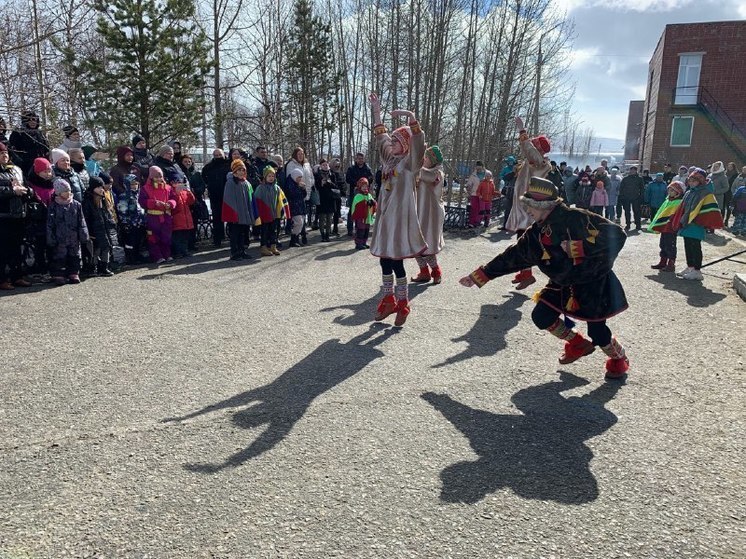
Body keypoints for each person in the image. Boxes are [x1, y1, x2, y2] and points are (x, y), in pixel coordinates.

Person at [459, 177, 630, 380]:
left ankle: (619, 359)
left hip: (592, 284)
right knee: (541, 316)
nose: (527, 211)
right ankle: (577, 343)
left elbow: (617, 234)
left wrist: (580, 247)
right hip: (561, 283)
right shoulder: (536, 232)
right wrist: (482, 275)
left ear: (544, 205)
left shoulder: (576, 217)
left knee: (598, 332)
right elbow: (513, 256)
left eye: (530, 206)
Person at [368, 93, 427, 326]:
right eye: (391, 141)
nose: (391, 144)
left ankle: (403, 302)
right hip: (384, 220)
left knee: (397, 262)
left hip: (400, 221)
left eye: (396, 142)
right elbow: (380, 136)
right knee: (384, 260)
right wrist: (376, 110)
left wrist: (412, 121)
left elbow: (419, 148)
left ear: (404, 145)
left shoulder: (409, 164)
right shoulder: (388, 160)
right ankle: (389, 298)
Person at [505, 116, 552, 290]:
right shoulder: (535, 162)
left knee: (524, 241)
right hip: (525, 208)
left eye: (534, 144)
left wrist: (522, 130)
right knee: (522, 240)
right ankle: (525, 272)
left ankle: (528, 274)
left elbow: (529, 150)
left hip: (529, 210)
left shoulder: (538, 162)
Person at [672, 168, 724, 281]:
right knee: (688, 245)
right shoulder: (690, 192)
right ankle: (690, 266)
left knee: (695, 246)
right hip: (687, 223)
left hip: (696, 224)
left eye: (694, 181)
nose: (691, 183)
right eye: (690, 181)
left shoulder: (706, 193)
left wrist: (699, 219)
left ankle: (697, 270)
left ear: (700, 181)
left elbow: (709, 209)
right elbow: (684, 207)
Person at [411, 145, 445, 284]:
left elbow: (429, 177)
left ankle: (436, 272)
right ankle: (424, 271)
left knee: (427, 245)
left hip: (431, 214)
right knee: (415, 244)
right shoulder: (421, 171)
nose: (424, 159)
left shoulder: (437, 172)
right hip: (418, 212)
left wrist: (415, 166)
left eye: (426, 157)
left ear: (433, 160)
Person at [0, 143, 32, 290]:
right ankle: (2, 279)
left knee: (17, 248)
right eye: (1, 153)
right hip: (3, 216)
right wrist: (13, 191)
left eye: (5, 153)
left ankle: (17, 276)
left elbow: (26, 185)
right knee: (3, 249)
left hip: (19, 215)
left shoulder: (16, 170)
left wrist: (28, 191)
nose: (4, 155)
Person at [47, 178, 89, 286]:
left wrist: (84, 234)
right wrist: (50, 237)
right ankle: (59, 274)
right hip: (59, 237)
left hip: (74, 236)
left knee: (74, 255)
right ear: (59, 193)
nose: (69, 193)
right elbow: (50, 224)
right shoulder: (53, 206)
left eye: (69, 191)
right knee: (59, 256)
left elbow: (81, 221)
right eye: (66, 191)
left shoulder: (76, 205)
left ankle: (74, 273)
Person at [139, 166, 176, 264]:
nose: (159, 179)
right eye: (156, 177)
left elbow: (173, 198)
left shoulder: (168, 188)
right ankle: (157, 256)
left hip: (166, 216)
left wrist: (171, 204)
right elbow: (142, 202)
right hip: (153, 218)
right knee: (153, 238)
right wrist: (154, 203)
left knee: (166, 237)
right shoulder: (145, 189)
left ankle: (167, 255)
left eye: (160, 177)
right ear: (151, 177)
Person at [82, 176, 118, 277]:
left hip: (104, 230)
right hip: (94, 230)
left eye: (102, 187)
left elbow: (108, 215)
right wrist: (89, 232)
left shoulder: (103, 201)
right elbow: (86, 218)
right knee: (95, 250)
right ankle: (93, 267)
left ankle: (104, 267)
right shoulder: (87, 202)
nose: (101, 189)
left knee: (106, 248)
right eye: (98, 187)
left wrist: (111, 226)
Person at [222, 159, 257, 261]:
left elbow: (250, 198)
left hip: (244, 213)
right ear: (234, 171)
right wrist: (233, 213)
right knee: (235, 233)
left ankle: (242, 250)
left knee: (243, 233)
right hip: (236, 214)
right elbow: (229, 199)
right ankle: (234, 252)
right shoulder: (231, 183)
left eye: (243, 170)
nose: (241, 172)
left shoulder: (246, 183)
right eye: (239, 170)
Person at [26, 157, 56, 278]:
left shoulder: (52, 183)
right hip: (39, 219)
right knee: (40, 244)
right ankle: (41, 267)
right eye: (45, 171)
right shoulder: (32, 184)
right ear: (38, 172)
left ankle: (52, 266)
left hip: (52, 217)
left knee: (51, 244)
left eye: (49, 171)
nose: (48, 174)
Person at [648, 180, 685, 272]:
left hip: (671, 228)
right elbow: (661, 213)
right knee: (663, 244)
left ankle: (671, 264)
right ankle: (662, 261)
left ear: (678, 192)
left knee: (670, 245)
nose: (670, 192)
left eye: (672, 190)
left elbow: (677, 216)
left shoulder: (679, 202)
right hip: (664, 227)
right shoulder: (668, 200)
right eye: (669, 190)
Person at [254, 166, 289, 256]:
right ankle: (264, 247)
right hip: (264, 215)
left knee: (273, 231)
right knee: (265, 231)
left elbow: (282, 200)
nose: (271, 178)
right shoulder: (260, 188)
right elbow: (256, 201)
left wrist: (282, 211)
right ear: (265, 177)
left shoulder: (277, 188)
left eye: (273, 176)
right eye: (269, 176)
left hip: (274, 214)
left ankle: (273, 246)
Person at [201, 149, 231, 247]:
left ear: (223, 155)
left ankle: (232, 237)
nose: (218, 156)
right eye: (216, 155)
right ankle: (218, 239)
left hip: (228, 195)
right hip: (215, 196)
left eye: (220, 155)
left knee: (231, 217)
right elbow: (204, 178)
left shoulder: (229, 165)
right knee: (217, 218)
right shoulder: (208, 167)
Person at [115, 174, 147, 264]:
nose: (134, 186)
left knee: (138, 241)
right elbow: (122, 211)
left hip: (139, 223)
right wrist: (126, 223)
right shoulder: (124, 196)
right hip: (129, 224)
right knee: (130, 242)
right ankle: (131, 258)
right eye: (132, 184)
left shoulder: (138, 195)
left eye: (136, 184)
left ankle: (137, 256)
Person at [285, 147, 314, 244]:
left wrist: (308, 187)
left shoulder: (306, 164)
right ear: (295, 154)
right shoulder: (291, 164)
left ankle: (301, 237)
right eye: (299, 154)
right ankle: (296, 237)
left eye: (302, 153)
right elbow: (291, 178)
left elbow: (310, 177)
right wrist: (299, 186)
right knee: (297, 219)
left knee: (302, 216)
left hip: (305, 191)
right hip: (295, 194)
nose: (301, 155)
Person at [8, 111, 49, 175]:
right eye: (29, 120)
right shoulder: (18, 133)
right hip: (25, 165)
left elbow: (46, 149)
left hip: (40, 165)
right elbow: (13, 151)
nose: (33, 122)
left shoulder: (40, 134)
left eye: (34, 119)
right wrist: (21, 161)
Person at [345, 153, 374, 236]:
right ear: (356, 159)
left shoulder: (367, 169)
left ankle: (362, 228)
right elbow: (348, 179)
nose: (360, 160)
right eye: (358, 158)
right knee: (352, 210)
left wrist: (365, 182)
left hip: (364, 193)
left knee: (363, 210)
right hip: (354, 192)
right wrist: (357, 184)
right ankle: (350, 229)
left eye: (361, 158)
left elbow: (371, 178)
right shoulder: (351, 169)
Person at [170, 178, 195, 258]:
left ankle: (184, 251)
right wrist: (177, 193)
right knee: (177, 238)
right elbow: (174, 206)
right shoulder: (171, 192)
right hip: (177, 219)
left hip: (186, 218)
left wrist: (189, 191)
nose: (180, 184)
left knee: (185, 237)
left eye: (180, 182)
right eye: (177, 182)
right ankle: (178, 252)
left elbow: (191, 202)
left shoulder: (184, 192)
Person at [314, 159, 337, 242]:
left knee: (329, 218)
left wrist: (330, 183)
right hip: (321, 199)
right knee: (322, 217)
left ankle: (327, 234)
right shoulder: (317, 175)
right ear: (320, 166)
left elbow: (336, 186)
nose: (325, 166)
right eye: (323, 165)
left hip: (330, 199)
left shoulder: (332, 174)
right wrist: (321, 183)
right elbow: (315, 186)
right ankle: (322, 235)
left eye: (326, 164)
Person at [285, 167, 308, 248]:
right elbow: (293, 194)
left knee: (300, 223)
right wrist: (299, 187)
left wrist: (303, 189)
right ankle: (293, 240)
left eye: (301, 177)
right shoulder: (290, 184)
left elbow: (304, 195)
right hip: (294, 206)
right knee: (298, 223)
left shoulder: (297, 184)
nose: (300, 179)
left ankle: (296, 240)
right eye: (299, 177)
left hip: (300, 206)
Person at [350, 177, 376, 250]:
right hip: (360, 217)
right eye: (363, 186)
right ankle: (358, 243)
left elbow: (373, 203)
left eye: (366, 186)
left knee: (366, 230)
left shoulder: (369, 195)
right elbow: (357, 206)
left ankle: (364, 242)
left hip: (367, 217)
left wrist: (373, 203)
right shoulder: (358, 196)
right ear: (360, 187)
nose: (365, 188)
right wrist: (366, 203)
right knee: (360, 230)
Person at [618, 166, 644, 230]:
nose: (632, 171)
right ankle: (628, 224)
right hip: (626, 198)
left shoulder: (639, 179)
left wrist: (641, 197)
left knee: (637, 212)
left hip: (636, 198)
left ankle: (638, 224)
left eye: (634, 170)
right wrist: (621, 196)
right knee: (627, 212)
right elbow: (621, 188)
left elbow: (642, 189)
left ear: (636, 171)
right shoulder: (625, 179)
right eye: (631, 170)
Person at [466, 161, 487, 228]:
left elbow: (491, 183)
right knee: (474, 208)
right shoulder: (473, 175)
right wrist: (468, 187)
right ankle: (471, 222)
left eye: (479, 169)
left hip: (483, 194)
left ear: (483, 167)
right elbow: (469, 183)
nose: (478, 170)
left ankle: (478, 222)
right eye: (477, 169)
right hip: (474, 193)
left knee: (481, 209)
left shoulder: (487, 174)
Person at [330, 158, 346, 236]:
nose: (337, 166)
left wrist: (343, 192)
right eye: (335, 165)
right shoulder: (330, 173)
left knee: (337, 213)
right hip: (331, 196)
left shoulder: (341, 173)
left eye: (338, 165)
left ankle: (335, 229)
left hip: (338, 196)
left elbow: (343, 183)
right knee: (330, 213)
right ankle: (328, 229)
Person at [724, 162, 739, 226]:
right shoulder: (725, 173)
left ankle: (726, 220)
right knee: (722, 207)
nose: (729, 168)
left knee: (728, 207)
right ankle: (721, 219)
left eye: (731, 167)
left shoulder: (736, 175)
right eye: (728, 166)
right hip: (724, 192)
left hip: (730, 192)